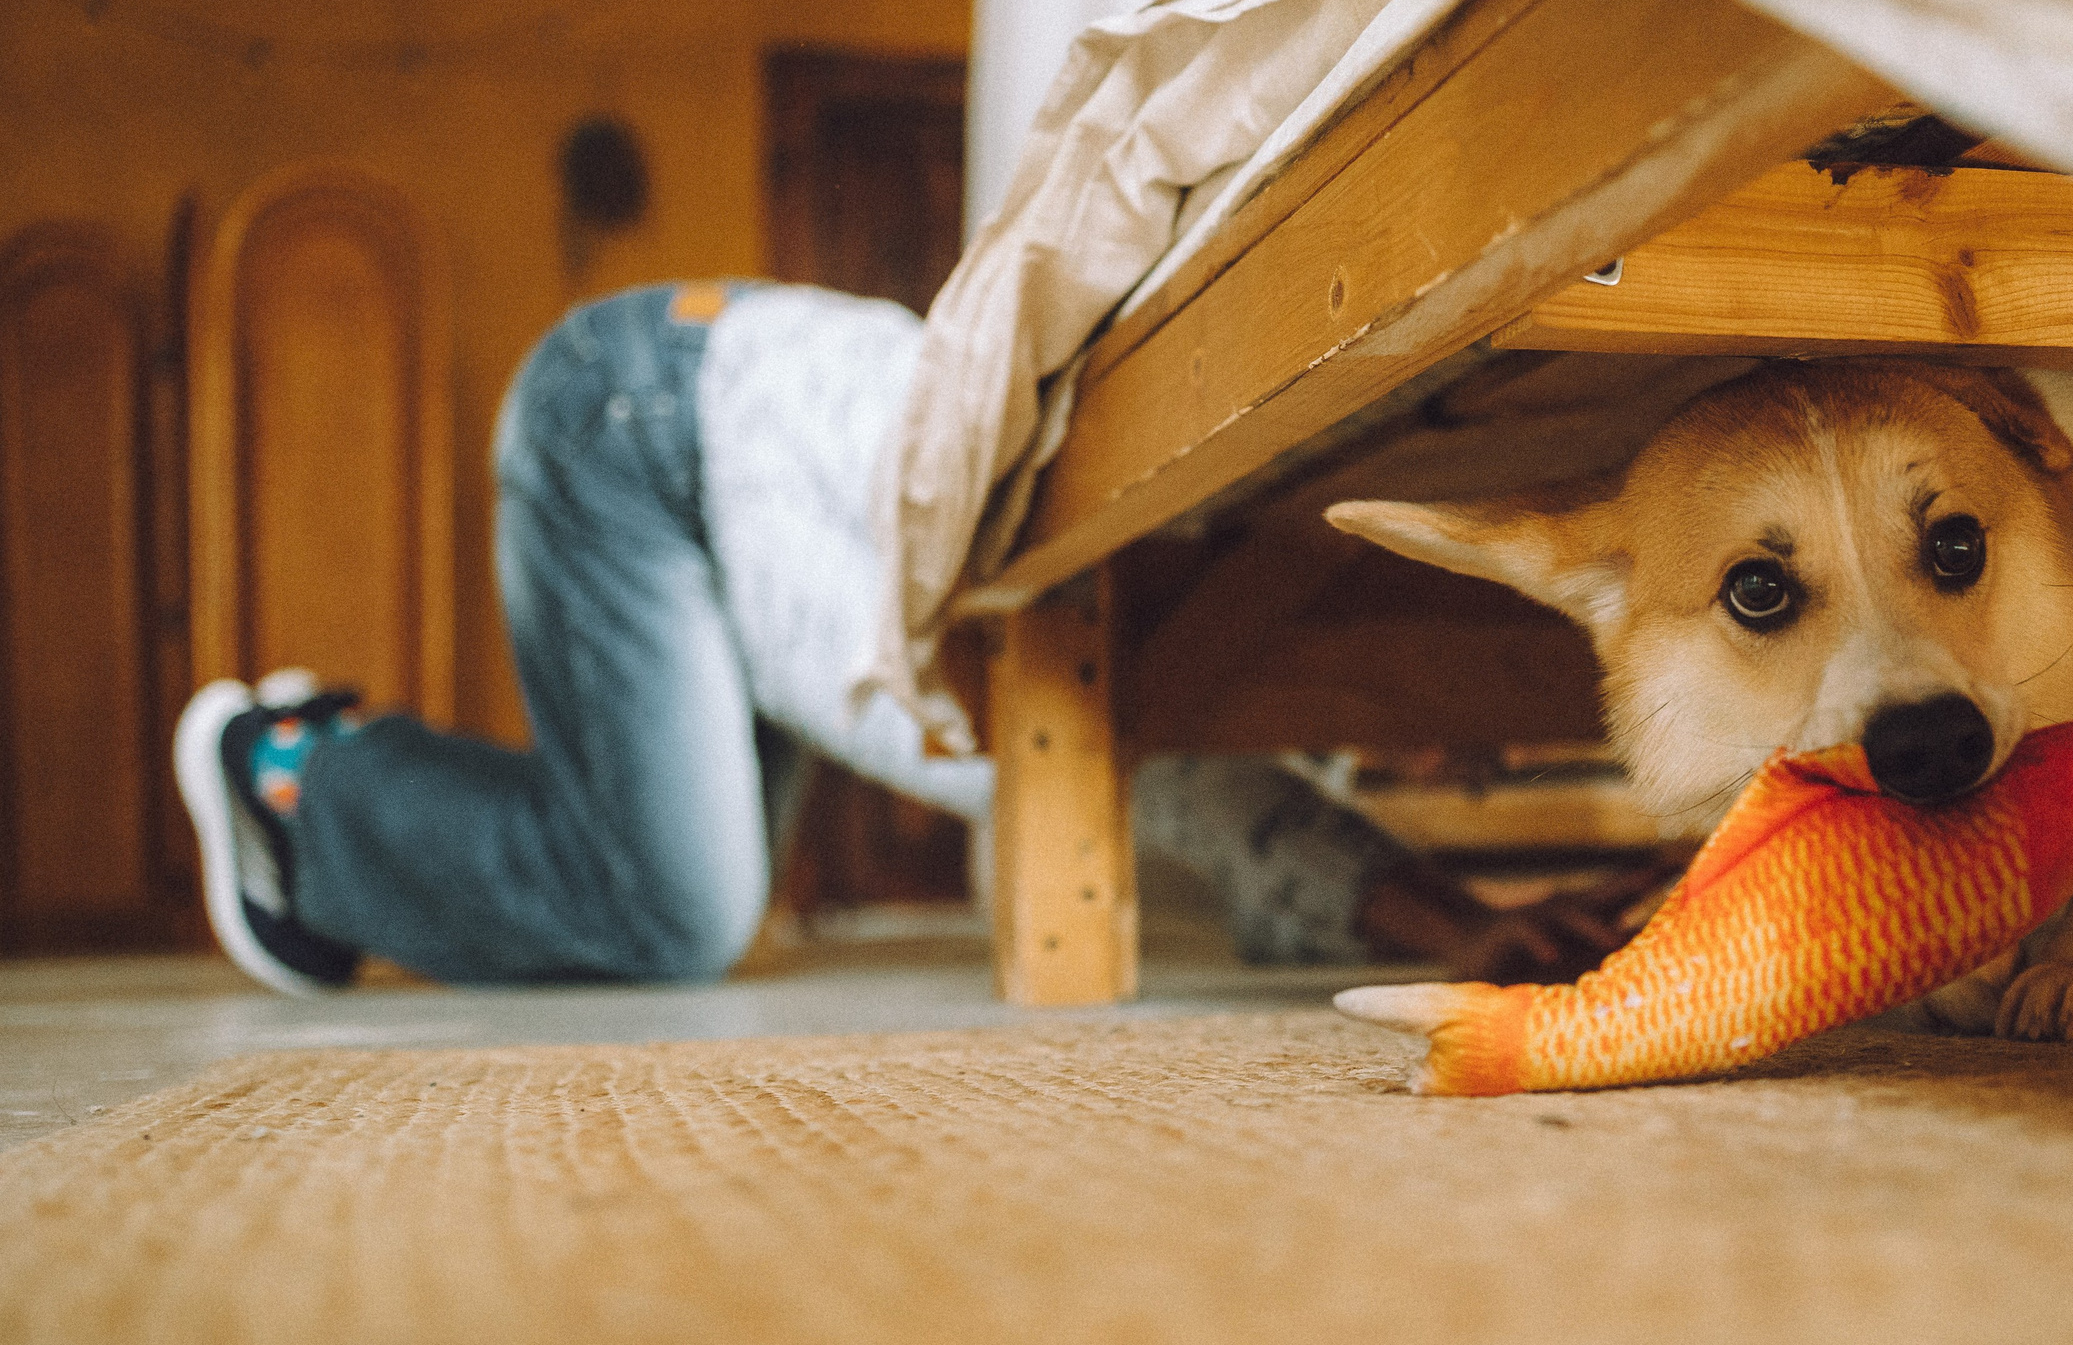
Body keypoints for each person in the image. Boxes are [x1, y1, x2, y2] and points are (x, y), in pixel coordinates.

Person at [174, 282, 1643, 995]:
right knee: (674, 914)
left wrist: (1451, 922)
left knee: (665, 878)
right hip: (635, 424)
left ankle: (349, 787)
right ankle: (294, 769)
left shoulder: (1246, 576)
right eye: (1471, 731)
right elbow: (1093, 765)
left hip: (723, 410)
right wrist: (1442, 920)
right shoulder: (1105, 577)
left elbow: (1188, 783)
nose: (1467, 754)